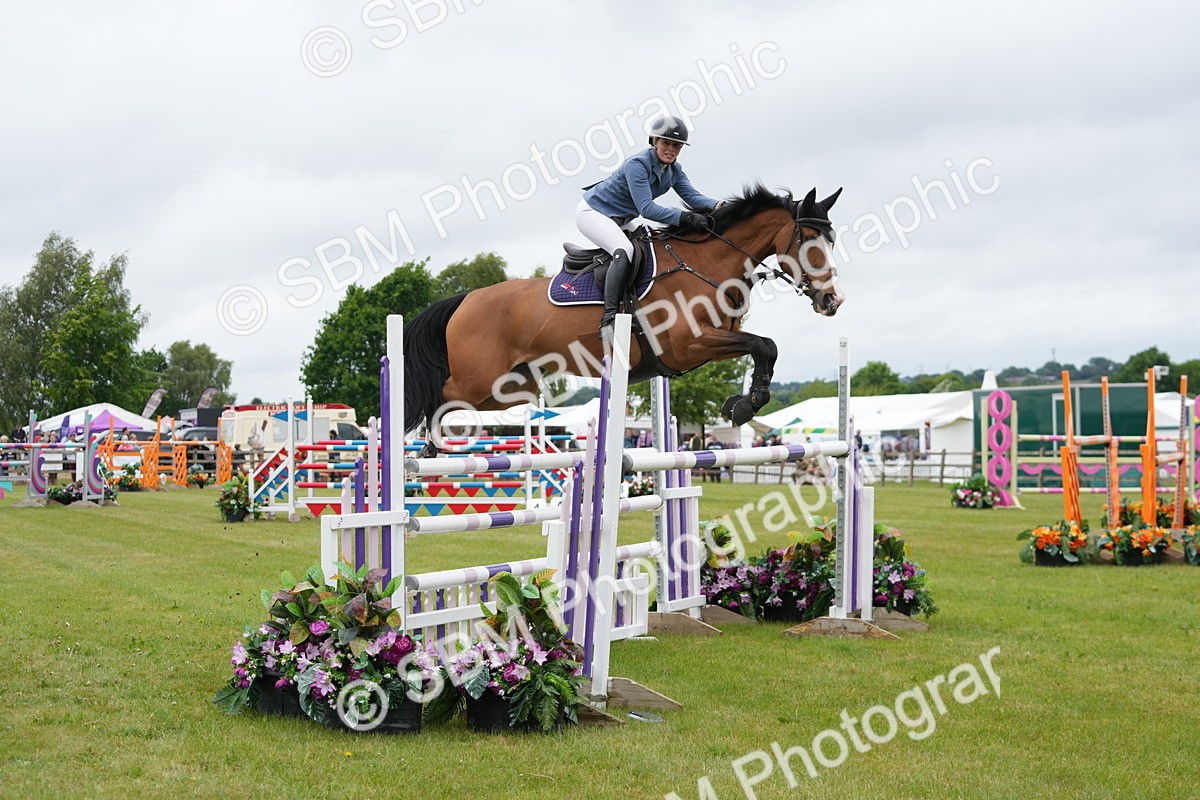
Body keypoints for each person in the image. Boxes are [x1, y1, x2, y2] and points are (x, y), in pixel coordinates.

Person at [576, 115, 722, 338]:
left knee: (648, 246)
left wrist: (722, 206)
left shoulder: (674, 170)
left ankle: (634, 304)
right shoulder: (637, 165)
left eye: (677, 146)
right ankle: (609, 318)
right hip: (593, 213)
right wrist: (685, 218)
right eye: (666, 143)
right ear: (654, 141)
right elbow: (646, 209)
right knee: (625, 250)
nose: (671, 149)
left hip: (621, 218)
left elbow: (693, 197)